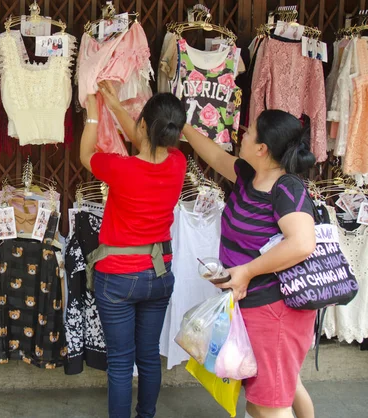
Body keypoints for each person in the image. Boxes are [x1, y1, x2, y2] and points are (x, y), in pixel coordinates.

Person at [182, 110, 318, 418]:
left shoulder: (286, 188)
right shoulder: (249, 174)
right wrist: (183, 125)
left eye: (249, 131)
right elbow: (216, 157)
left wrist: (246, 271)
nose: (242, 132)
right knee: (286, 385)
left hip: (274, 310)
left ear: (263, 149)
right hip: (254, 308)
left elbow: (302, 243)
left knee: (266, 404)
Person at [80, 81, 187, 418]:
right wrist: (116, 106)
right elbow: (146, 140)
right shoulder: (177, 162)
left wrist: (94, 116)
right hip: (158, 274)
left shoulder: (119, 168)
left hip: (118, 279)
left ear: (144, 125)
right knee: (148, 356)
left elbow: (85, 155)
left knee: (121, 363)